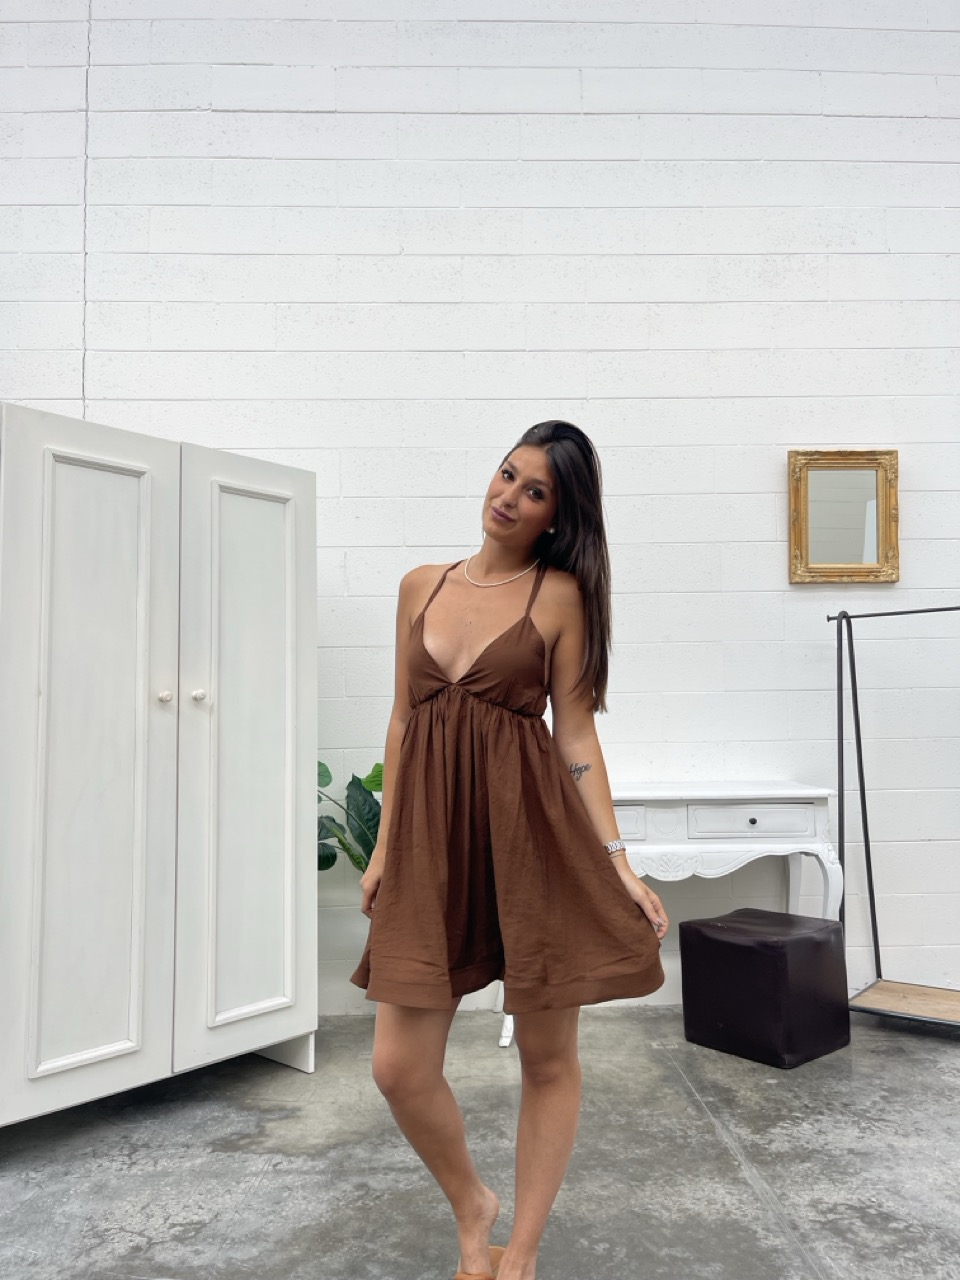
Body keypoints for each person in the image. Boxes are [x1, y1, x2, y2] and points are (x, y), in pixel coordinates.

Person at [350, 420, 669, 1280]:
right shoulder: (420, 585)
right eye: (507, 475)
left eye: (535, 492)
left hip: (533, 842)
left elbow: (577, 737)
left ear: (556, 516)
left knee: (546, 1056)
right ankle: (473, 1207)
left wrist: (616, 859)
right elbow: (403, 720)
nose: (509, 498)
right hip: (430, 845)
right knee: (398, 1067)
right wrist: (383, 849)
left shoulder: (559, 597)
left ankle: (519, 1252)